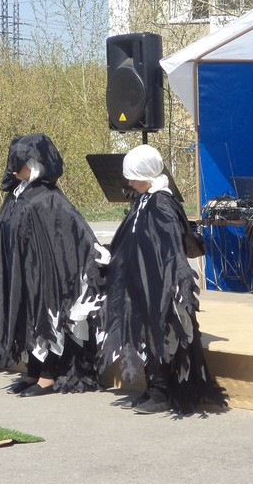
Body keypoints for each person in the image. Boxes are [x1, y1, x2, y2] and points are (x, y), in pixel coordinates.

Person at [96, 144, 226, 415]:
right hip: (141, 283)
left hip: (159, 286)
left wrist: (170, 283)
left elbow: (170, 248)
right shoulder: (145, 200)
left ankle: (162, 392)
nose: (129, 183)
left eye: (133, 176)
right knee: (147, 337)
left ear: (147, 174)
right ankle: (152, 387)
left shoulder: (162, 203)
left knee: (162, 337)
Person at [0, 134, 110, 397]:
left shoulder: (49, 197)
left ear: (36, 163)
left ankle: (48, 376)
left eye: (19, 163)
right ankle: (32, 372)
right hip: (21, 272)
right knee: (25, 318)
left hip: (45, 275)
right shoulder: (17, 194)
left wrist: (93, 257)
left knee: (45, 320)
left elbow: (75, 230)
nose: (13, 169)